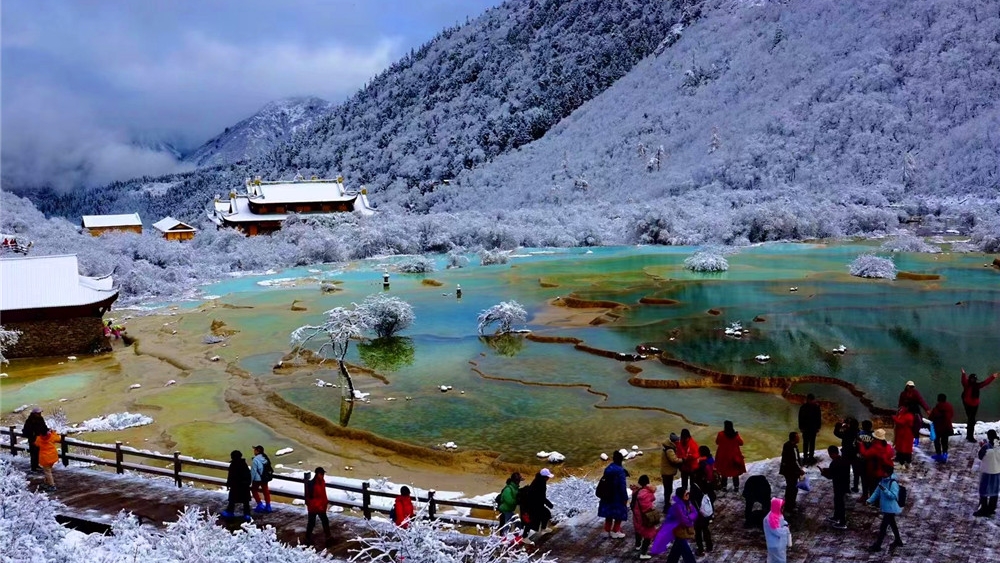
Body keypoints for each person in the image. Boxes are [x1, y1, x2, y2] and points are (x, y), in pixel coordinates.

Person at [649, 487, 698, 563]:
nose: (688, 496)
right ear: (681, 496)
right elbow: (684, 521)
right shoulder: (678, 507)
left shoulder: (687, 503)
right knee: (687, 553)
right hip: (680, 531)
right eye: (686, 494)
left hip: (682, 531)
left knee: (676, 550)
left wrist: (689, 517)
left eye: (688, 494)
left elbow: (695, 513)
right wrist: (690, 518)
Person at [867, 467, 904, 552]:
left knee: (883, 527)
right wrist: (869, 501)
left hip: (890, 509)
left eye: (884, 472)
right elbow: (876, 492)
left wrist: (885, 490)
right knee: (892, 524)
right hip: (886, 508)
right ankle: (898, 540)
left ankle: (878, 545)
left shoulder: (893, 483)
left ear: (888, 473)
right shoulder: (882, 481)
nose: (882, 474)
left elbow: (894, 496)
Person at [598, 450, 629, 538]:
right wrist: (625, 498)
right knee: (619, 514)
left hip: (607, 496)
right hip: (617, 497)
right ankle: (616, 531)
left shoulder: (608, 468)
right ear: (621, 460)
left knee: (609, 514)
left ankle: (606, 530)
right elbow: (622, 487)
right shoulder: (620, 471)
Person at [519, 468, 554, 543]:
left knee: (546, 514)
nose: (548, 478)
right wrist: (548, 503)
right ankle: (524, 537)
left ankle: (543, 529)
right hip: (533, 505)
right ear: (544, 477)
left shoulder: (540, 481)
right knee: (530, 521)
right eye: (547, 477)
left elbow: (541, 496)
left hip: (537, 504)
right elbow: (540, 496)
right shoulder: (539, 483)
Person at [962, 369, 997, 442]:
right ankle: (970, 437)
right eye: (972, 379)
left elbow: (985, 383)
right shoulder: (966, 385)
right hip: (968, 404)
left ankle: (969, 436)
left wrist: (992, 377)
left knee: (971, 420)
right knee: (971, 421)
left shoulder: (977, 386)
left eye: (974, 379)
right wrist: (963, 374)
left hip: (974, 405)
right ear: (970, 379)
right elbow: (963, 380)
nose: (973, 380)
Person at [819, 445, 850, 529]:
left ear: (831, 453)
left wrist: (823, 472)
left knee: (840, 503)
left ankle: (842, 522)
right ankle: (836, 517)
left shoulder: (835, 463)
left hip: (838, 485)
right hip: (844, 484)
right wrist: (826, 470)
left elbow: (831, 475)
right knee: (837, 501)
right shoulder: (843, 460)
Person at [861, 429, 894, 503]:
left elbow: (866, 454)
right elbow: (891, 454)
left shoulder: (875, 448)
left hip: (876, 470)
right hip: (887, 469)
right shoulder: (888, 446)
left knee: (873, 485)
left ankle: (875, 501)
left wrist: (861, 445)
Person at [630, 475, 658, 559]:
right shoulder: (647, 493)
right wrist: (651, 489)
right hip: (646, 518)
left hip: (637, 516)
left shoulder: (636, 492)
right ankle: (643, 553)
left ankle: (638, 545)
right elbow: (653, 498)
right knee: (648, 535)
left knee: (638, 530)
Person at [974, 429, 1000, 517]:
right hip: (997, 471)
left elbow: (980, 456)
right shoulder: (999, 445)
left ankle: (983, 509)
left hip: (987, 471)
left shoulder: (986, 447)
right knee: (994, 490)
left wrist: (982, 446)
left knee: (983, 490)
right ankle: (991, 508)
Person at [715, 420, 747, 493]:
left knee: (724, 473)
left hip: (723, 457)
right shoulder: (735, 435)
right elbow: (741, 443)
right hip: (734, 457)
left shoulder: (720, 434)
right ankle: (736, 488)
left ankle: (724, 487)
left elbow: (717, 442)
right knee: (735, 473)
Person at [222, 450, 252, 521]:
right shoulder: (244, 464)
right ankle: (247, 514)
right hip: (244, 487)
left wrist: (228, 484)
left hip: (235, 486)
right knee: (245, 501)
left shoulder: (233, 465)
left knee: (232, 500)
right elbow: (248, 475)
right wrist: (247, 483)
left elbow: (230, 476)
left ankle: (230, 512)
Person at [897, 381, 930, 446]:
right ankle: (907, 438)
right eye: (910, 387)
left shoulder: (915, 393)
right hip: (907, 412)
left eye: (913, 387)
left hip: (915, 412)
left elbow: (921, 401)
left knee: (916, 426)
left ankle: (916, 440)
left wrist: (927, 409)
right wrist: (899, 411)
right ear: (907, 386)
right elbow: (900, 404)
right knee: (907, 426)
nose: (912, 388)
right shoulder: (903, 394)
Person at [778, 432, 804, 512]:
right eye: (797, 437)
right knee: (793, 488)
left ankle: (788, 504)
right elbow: (795, 461)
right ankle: (790, 505)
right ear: (794, 438)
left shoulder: (786, 445)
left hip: (786, 470)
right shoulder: (793, 447)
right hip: (792, 471)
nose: (799, 438)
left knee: (789, 487)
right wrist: (800, 470)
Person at [304, 467, 330, 542]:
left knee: (320, 522)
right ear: (318, 474)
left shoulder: (322, 482)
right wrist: (319, 506)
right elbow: (311, 498)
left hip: (320, 506)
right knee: (313, 523)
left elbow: (323, 495)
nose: (323, 475)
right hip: (315, 507)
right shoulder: (313, 484)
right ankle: (308, 537)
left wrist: (325, 503)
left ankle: (308, 537)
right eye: (322, 474)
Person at [833, 417, 859, 491]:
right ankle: (856, 487)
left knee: (845, 471)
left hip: (846, 453)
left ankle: (846, 487)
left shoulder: (846, 433)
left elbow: (836, 433)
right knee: (856, 472)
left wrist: (839, 425)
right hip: (855, 454)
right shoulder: (858, 432)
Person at [763, 498, 792, 563]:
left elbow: (781, 522)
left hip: (777, 543)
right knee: (780, 560)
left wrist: (785, 524)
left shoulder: (776, 514)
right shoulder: (772, 519)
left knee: (772, 560)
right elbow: (777, 531)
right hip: (776, 545)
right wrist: (786, 528)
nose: (783, 508)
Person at [689, 481, 714, 556]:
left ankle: (700, 549)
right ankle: (709, 546)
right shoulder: (705, 487)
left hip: (698, 516)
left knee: (698, 533)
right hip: (706, 514)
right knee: (706, 529)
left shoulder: (693, 491)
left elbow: (692, 505)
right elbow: (713, 496)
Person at [22, 407, 49, 473]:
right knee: (33, 453)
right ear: (34, 414)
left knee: (38, 453)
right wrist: (32, 435)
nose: (40, 414)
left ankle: (37, 465)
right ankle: (33, 467)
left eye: (40, 413)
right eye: (38, 413)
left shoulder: (41, 419)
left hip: (40, 439)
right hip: (33, 440)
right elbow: (26, 430)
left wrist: (47, 431)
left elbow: (44, 427)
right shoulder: (30, 421)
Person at [929, 393, 954, 462]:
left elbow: (931, 417)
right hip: (947, 427)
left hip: (939, 428)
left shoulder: (937, 408)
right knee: (945, 441)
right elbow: (951, 414)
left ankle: (939, 455)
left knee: (937, 441)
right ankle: (945, 454)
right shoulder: (949, 407)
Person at [661, 433, 684, 509]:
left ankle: (667, 503)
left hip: (666, 471)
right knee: (668, 489)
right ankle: (666, 506)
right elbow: (674, 460)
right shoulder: (670, 450)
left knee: (668, 488)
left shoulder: (668, 447)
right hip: (667, 473)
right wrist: (683, 460)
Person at [798, 394, 822, 464]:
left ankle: (811, 456)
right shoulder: (803, 407)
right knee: (805, 443)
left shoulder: (816, 407)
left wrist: (818, 427)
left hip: (813, 428)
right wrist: (801, 427)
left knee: (812, 443)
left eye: (813, 400)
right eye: (811, 400)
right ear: (808, 400)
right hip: (806, 428)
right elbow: (800, 418)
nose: (812, 401)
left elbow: (819, 418)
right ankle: (805, 457)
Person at [854, 420, 875, 496]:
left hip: (861, 459)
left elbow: (855, 446)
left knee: (863, 478)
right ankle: (872, 494)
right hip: (871, 459)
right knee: (871, 478)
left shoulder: (859, 434)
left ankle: (865, 494)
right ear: (870, 427)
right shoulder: (874, 435)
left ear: (862, 426)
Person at [250, 445, 273, 513]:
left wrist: (250, 480)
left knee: (254, 490)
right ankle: (268, 506)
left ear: (257, 451)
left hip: (257, 479)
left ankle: (259, 504)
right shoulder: (265, 458)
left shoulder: (255, 459)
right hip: (265, 478)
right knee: (266, 491)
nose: (254, 451)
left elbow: (253, 471)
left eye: (255, 450)